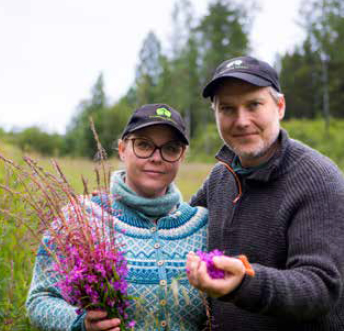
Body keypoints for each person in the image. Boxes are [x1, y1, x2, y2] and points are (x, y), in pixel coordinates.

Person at [186, 56, 344, 330]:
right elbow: (178, 224)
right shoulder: (221, 176)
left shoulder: (318, 179)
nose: (241, 120)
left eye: (253, 105)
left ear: (279, 107)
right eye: (227, 109)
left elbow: (321, 287)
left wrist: (245, 282)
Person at [26, 104, 209, 331]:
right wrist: (80, 325)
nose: (156, 157)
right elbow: (39, 300)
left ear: (182, 157)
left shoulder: (202, 225)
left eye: (171, 148)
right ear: (122, 149)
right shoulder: (79, 218)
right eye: (143, 145)